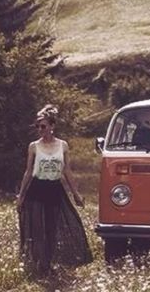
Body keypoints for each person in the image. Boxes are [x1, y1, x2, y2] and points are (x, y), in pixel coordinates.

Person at [16, 104, 92, 275]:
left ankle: (48, 263)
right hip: (36, 188)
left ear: (52, 126)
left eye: (43, 126)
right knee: (37, 229)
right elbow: (28, 171)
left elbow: (67, 171)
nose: (40, 130)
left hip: (54, 189)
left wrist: (76, 194)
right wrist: (21, 196)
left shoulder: (63, 146)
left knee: (51, 229)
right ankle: (39, 265)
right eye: (37, 126)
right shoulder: (33, 146)